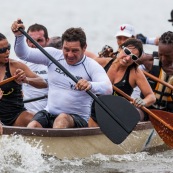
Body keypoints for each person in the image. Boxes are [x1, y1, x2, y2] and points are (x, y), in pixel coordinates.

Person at [11, 19, 113, 129]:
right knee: (32, 126)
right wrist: (19, 36)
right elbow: (23, 54)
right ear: (62, 46)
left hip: (77, 118)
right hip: (49, 113)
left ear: (84, 48)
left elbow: (108, 88)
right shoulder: (53, 55)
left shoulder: (91, 66)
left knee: (62, 118)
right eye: (66, 49)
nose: (69, 55)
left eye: (75, 51)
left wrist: (90, 85)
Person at [90, 38, 156, 121]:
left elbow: (151, 97)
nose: (128, 58)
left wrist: (143, 102)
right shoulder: (101, 63)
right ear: (120, 48)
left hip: (116, 114)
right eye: (127, 52)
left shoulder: (135, 73)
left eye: (133, 57)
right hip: (94, 107)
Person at [0, 32, 48, 127]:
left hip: (16, 116)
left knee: (39, 121)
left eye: (8, 47)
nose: (8, 52)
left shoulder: (16, 66)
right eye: (3, 50)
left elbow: (43, 83)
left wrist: (26, 80)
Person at [22, 23, 49, 113]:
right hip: (26, 113)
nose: (35, 44)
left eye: (39, 40)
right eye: (31, 40)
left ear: (47, 40)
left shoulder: (56, 62)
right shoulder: (19, 63)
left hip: (49, 114)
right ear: (26, 42)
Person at [144, 31, 173, 112]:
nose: (163, 59)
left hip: (169, 113)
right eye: (160, 54)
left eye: (167, 56)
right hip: (147, 109)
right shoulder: (149, 61)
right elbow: (132, 57)